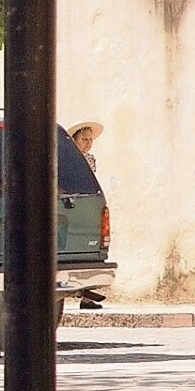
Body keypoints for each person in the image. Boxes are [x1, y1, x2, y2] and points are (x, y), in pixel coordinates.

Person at [69, 121, 106, 309]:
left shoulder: (90, 159)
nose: (88, 143)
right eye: (84, 139)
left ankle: (87, 295)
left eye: (90, 140)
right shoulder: (66, 159)